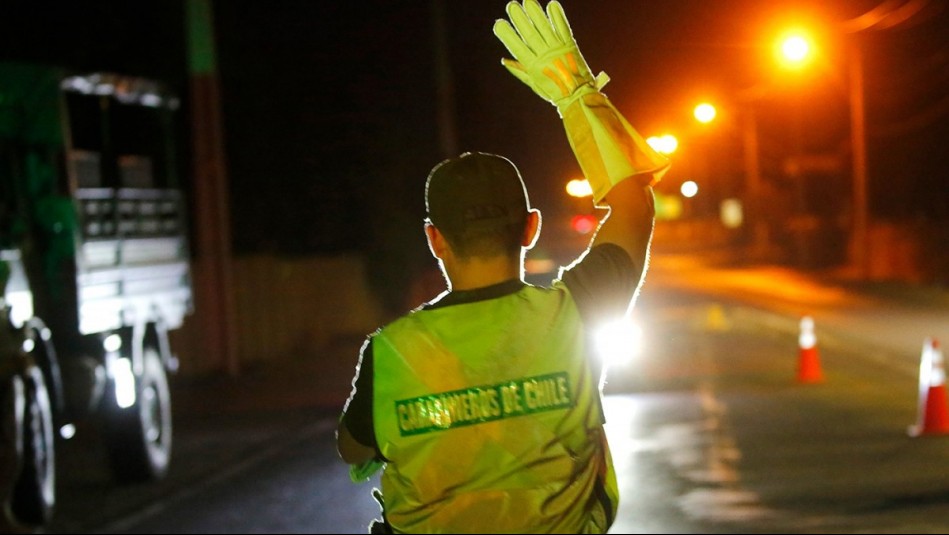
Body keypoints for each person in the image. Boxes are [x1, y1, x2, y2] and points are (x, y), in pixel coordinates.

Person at [336, 1, 669, 533]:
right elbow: (635, 202)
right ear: (530, 228)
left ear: (435, 239)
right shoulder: (574, 315)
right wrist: (576, 93)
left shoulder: (392, 351)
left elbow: (352, 446)